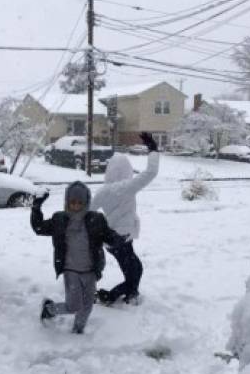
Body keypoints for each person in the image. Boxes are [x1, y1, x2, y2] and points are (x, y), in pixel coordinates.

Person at [31, 181, 123, 334]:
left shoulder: (96, 219)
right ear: (67, 202)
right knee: (73, 306)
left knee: (87, 306)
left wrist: (118, 239)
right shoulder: (59, 219)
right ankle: (49, 309)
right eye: (72, 202)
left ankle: (78, 331)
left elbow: (108, 235)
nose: (76, 206)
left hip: (90, 270)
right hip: (70, 270)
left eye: (80, 202)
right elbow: (39, 228)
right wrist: (36, 207)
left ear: (86, 202)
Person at [91, 132, 160, 305]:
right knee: (135, 271)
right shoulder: (126, 187)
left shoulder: (103, 191)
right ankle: (111, 296)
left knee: (134, 269)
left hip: (112, 240)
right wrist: (153, 149)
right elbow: (151, 172)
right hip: (120, 239)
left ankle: (129, 294)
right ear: (125, 171)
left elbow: (87, 212)